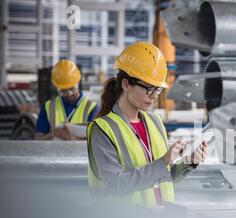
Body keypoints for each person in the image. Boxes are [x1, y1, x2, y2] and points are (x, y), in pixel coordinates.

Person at [87, 41, 207, 207]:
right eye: (149, 88)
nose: (154, 96)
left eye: (157, 89)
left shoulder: (155, 122)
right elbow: (115, 185)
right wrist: (162, 162)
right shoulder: (102, 129)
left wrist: (189, 162)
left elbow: (163, 178)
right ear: (126, 84)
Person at [35, 59, 98, 140]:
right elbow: (38, 139)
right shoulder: (48, 107)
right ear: (56, 87)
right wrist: (53, 134)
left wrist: (70, 139)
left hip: (81, 153)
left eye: (72, 89)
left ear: (78, 82)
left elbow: (96, 141)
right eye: (63, 90)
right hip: (53, 152)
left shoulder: (92, 108)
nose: (69, 93)